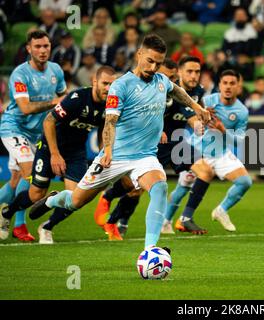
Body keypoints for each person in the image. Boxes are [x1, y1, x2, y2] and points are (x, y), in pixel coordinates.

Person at [26, 34, 210, 252]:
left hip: (145, 157)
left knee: (159, 187)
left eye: (158, 63)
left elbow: (176, 91)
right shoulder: (121, 86)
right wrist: (108, 151)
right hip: (115, 157)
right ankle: (54, 200)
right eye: (150, 61)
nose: (153, 67)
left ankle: (150, 250)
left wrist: (198, 108)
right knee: (75, 202)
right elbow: (110, 122)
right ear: (139, 54)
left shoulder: (161, 82)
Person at [0, 67, 115, 244]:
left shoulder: (109, 106)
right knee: (36, 194)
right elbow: (48, 121)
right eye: (105, 83)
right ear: (94, 81)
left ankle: (47, 227)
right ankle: (7, 212)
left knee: (76, 198)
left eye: (112, 84)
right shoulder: (77, 99)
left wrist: (103, 152)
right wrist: (54, 154)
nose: (108, 88)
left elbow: (103, 129)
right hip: (49, 148)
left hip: (75, 153)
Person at [95, 56, 207, 238]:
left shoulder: (193, 92)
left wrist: (204, 117)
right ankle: (113, 218)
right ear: (180, 73)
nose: (194, 76)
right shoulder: (160, 90)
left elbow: (194, 110)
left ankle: (185, 218)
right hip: (156, 144)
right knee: (135, 190)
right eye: (190, 71)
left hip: (177, 142)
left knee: (205, 170)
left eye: (197, 72)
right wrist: (160, 128)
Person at [0, 30, 66, 241]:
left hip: (37, 134)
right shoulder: (20, 74)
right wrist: (53, 103)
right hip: (14, 128)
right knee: (31, 174)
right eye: (37, 46)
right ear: (29, 49)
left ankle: (11, 218)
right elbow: (26, 108)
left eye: (46, 46)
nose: (42, 50)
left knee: (16, 180)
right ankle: (17, 223)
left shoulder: (56, 70)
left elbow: (64, 97)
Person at [177, 69, 252, 232]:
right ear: (219, 85)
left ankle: (221, 210)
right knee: (183, 187)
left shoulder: (242, 111)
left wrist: (223, 130)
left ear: (238, 86)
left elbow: (239, 140)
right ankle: (166, 221)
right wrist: (201, 115)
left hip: (220, 154)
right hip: (197, 150)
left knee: (245, 181)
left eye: (232, 83)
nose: (228, 87)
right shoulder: (207, 100)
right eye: (225, 83)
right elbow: (190, 120)